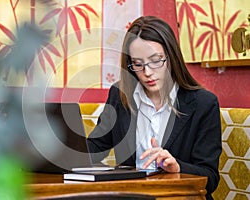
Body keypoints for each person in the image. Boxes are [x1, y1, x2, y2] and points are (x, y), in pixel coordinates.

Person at [87, 16, 222, 199]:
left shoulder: (204, 104)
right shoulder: (120, 95)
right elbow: (96, 146)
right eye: (138, 64)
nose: (147, 72)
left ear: (171, 57)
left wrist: (177, 167)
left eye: (156, 60)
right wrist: (55, 148)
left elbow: (210, 177)